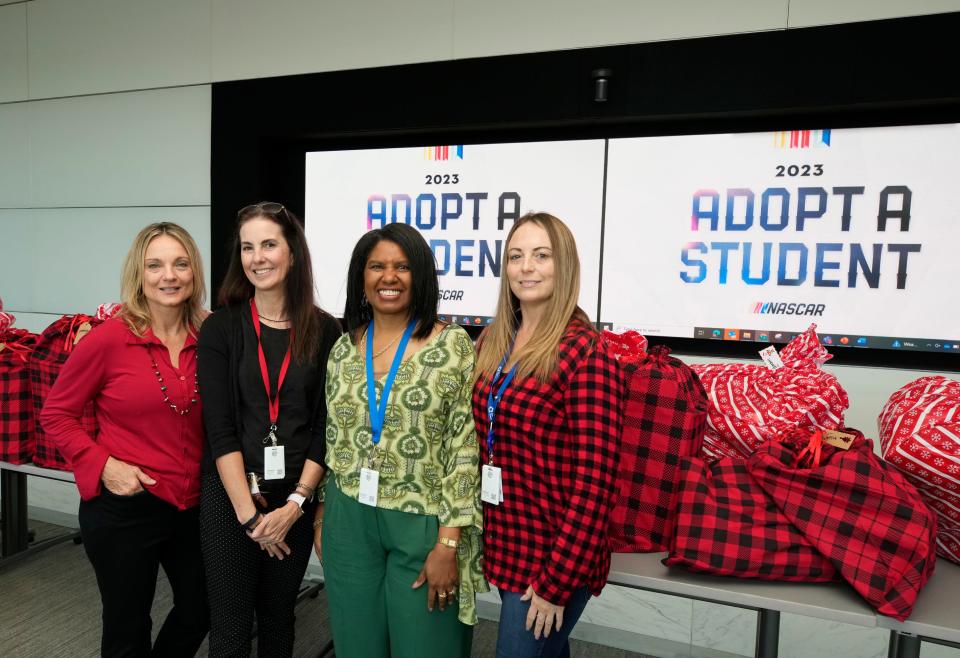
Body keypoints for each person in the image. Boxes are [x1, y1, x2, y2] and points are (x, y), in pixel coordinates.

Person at [41, 222, 210, 657]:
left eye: (180, 263)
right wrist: (105, 467)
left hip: (194, 504)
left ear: (195, 272)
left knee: (202, 608)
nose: (168, 276)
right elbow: (56, 414)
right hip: (125, 505)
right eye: (154, 265)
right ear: (138, 274)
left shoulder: (212, 336)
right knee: (127, 626)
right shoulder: (107, 340)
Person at [320, 222, 485, 657]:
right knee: (358, 647)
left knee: (426, 646)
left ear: (422, 276)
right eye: (377, 266)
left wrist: (449, 542)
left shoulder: (452, 346)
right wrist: (322, 517)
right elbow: (334, 440)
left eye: (402, 266)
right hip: (349, 517)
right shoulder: (343, 348)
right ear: (362, 276)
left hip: (423, 520)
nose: (388, 277)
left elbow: (465, 448)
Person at [472, 212, 624, 658]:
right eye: (516, 256)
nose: (526, 267)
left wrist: (556, 582)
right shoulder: (493, 341)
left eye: (542, 255)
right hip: (507, 541)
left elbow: (596, 484)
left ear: (565, 266)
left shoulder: (586, 354)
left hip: (553, 558)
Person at [197, 202, 340, 657]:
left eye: (269, 244)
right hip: (233, 499)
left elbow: (325, 427)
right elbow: (219, 429)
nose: (257, 257)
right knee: (231, 628)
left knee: (279, 620)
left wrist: (295, 506)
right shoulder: (221, 328)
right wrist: (250, 518)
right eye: (247, 247)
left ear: (293, 252)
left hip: (294, 502)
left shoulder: (326, 330)